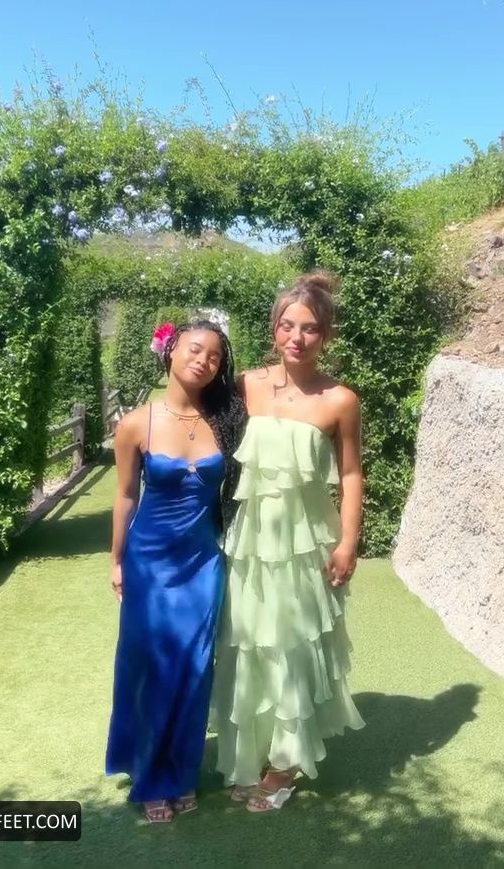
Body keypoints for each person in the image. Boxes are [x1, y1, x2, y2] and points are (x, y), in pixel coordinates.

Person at [211, 271, 365, 812]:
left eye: (310, 328)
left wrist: (348, 543)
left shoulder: (340, 400)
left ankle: (283, 765)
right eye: (287, 325)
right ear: (274, 329)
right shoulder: (245, 385)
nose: (297, 337)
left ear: (326, 335)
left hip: (307, 544)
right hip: (249, 541)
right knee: (248, 642)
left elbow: (351, 475)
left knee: (293, 646)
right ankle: (249, 754)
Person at [106, 319, 244, 823]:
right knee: (153, 668)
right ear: (170, 352)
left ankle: (181, 773)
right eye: (194, 349)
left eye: (214, 356)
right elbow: (125, 496)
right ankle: (150, 777)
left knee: (194, 668)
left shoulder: (227, 420)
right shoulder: (135, 424)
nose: (203, 361)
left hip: (203, 562)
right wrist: (116, 559)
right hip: (149, 562)